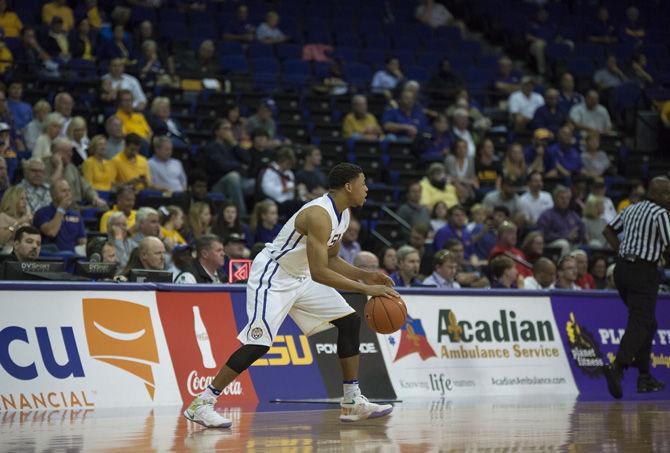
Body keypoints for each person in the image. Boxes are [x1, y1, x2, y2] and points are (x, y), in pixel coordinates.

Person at [183, 163, 398, 428]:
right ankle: (202, 403)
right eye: (363, 183)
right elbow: (321, 272)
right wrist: (366, 290)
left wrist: (366, 274)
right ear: (348, 186)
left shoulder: (342, 215)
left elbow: (331, 259)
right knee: (258, 344)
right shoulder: (319, 214)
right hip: (274, 275)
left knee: (349, 321)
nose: (366, 189)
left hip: (302, 277)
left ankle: (352, 401)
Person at [602, 176, 670, 398]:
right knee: (641, 322)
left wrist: (623, 252)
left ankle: (644, 377)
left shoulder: (632, 209)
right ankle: (618, 368)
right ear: (657, 193)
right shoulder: (662, 214)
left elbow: (608, 231)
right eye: (668, 193)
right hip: (644, 272)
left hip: (621, 270)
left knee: (648, 323)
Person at [207, 118, 254, 216]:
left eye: (230, 129)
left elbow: (248, 159)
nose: (229, 132)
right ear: (217, 132)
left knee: (256, 183)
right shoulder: (211, 147)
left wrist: (234, 143)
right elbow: (222, 166)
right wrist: (239, 165)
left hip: (239, 181)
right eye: (225, 129)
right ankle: (242, 216)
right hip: (219, 184)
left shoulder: (231, 146)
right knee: (233, 176)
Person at [45, 137, 107, 208]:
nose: (71, 154)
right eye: (67, 151)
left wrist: (95, 198)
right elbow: (47, 189)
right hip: (54, 207)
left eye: (71, 151)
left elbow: (86, 187)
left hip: (74, 206)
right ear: (56, 153)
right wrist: (59, 167)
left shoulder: (72, 168)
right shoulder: (44, 167)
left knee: (104, 207)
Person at [33, 179, 86, 252]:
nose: (68, 194)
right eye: (64, 191)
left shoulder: (76, 215)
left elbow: (82, 241)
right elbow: (52, 232)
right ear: (53, 195)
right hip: (52, 257)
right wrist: (61, 209)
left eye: (69, 191)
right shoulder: (42, 213)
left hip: (72, 257)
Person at [537, 185, 586, 256]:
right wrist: (565, 236)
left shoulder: (573, 215)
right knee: (564, 244)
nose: (565, 201)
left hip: (572, 244)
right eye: (562, 198)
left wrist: (579, 234)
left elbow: (581, 230)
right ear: (554, 199)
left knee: (582, 252)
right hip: (552, 245)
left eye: (567, 198)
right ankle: (564, 265)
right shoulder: (546, 215)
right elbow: (544, 235)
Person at [0, 186, 32, 253]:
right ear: (13, 200)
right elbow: (1, 239)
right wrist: (18, 222)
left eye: (26, 199)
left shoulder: (26, 217)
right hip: (8, 253)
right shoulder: (3, 216)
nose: (25, 202)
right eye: (22, 199)